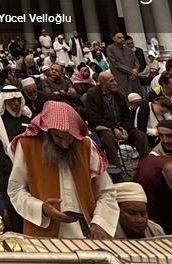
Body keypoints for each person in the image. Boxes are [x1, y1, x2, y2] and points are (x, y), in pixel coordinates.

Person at [7, 100, 119, 239]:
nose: (65, 145)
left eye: (70, 139)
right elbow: (16, 190)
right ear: (47, 130)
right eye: (59, 137)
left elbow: (107, 191)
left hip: (86, 234)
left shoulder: (85, 145)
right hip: (43, 237)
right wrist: (41, 208)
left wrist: (100, 222)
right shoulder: (28, 146)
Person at [85, 70, 150, 165]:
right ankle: (116, 170)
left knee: (140, 136)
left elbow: (127, 115)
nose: (115, 83)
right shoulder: (92, 93)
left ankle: (146, 165)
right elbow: (94, 117)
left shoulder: (119, 95)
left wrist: (124, 128)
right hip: (104, 126)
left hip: (121, 126)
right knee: (109, 138)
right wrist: (113, 128)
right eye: (111, 81)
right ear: (103, 84)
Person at [105, 32, 141, 97]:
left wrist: (135, 72)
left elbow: (136, 61)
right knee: (124, 98)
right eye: (119, 38)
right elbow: (115, 63)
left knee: (137, 97)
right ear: (114, 39)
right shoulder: (110, 49)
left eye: (123, 37)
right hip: (121, 78)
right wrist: (130, 71)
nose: (122, 39)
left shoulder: (128, 49)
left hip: (133, 77)